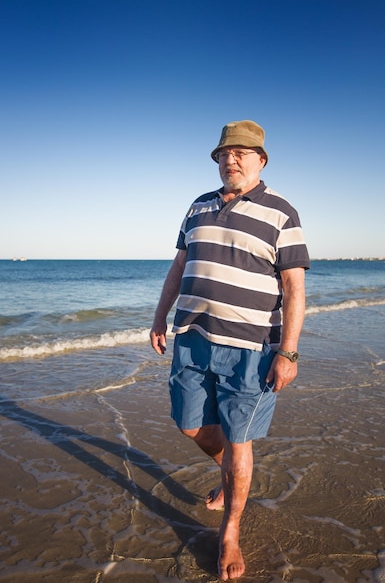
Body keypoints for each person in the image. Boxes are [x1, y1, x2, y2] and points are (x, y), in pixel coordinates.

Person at [150, 120, 310, 581]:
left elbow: (294, 289)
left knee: (240, 441)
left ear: (261, 159)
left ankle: (230, 531)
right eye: (224, 154)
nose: (230, 160)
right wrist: (160, 317)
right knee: (189, 425)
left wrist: (290, 352)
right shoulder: (198, 206)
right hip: (192, 338)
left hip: (252, 348)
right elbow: (179, 266)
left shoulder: (282, 212)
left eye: (241, 153)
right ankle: (231, 476)